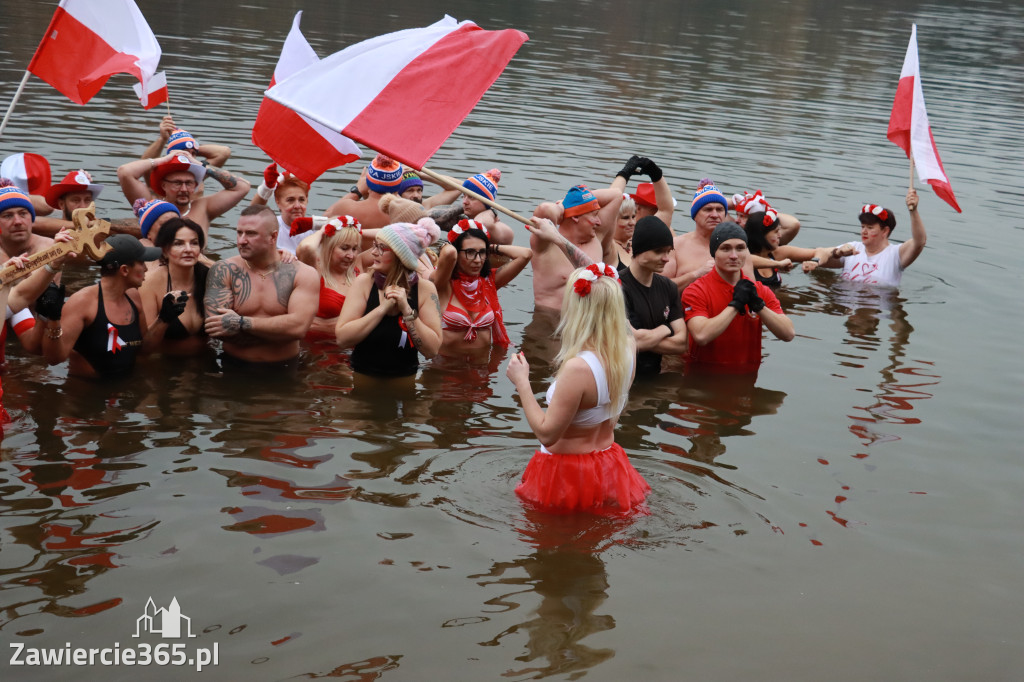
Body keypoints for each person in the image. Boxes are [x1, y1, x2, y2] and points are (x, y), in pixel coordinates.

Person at [506, 264, 649, 515]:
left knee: (553, 543)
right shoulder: (628, 347)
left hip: (567, 474)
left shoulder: (578, 368)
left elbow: (547, 435)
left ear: (578, 309)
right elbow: (614, 413)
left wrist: (522, 382)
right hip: (608, 464)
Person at [202, 206, 317, 369]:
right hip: (233, 366)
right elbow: (217, 329)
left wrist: (241, 322)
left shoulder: (303, 274)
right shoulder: (224, 270)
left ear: (273, 237)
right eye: (239, 232)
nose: (241, 240)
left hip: (284, 368)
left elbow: (298, 328)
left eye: (251, 233)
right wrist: (281, 331)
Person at [39, 235, 164, 378]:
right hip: (86, 393)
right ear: (124, 270)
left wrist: (164, 318)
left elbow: (144, 350)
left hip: (124, 389)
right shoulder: (82, 303)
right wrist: (53, 320)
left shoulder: (133, 296)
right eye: (141, 263)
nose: (146, 269)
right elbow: (54, 359)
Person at [335, 218, 443, 378]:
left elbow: (432, 351)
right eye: (374, 246)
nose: (373, 252)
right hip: (363, 379)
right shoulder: (364, 282)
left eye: (381, 248)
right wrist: (381, 309)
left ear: (401, 256)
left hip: (404, 381)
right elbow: (342, 338)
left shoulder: (425, 289)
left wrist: (407, 310)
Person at [683, 222, 794, 374]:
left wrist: (759, 306)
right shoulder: (696, 291)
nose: (734, 256)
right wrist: (736, 304)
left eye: (740, 248)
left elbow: (788, 334)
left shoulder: (759, 291)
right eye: (726, 248)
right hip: (704, 378)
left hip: (746, 377)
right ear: (714, 252)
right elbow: (701, 335)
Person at [433, 218, 531, 361]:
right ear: (456, 253)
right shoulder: (442, 283)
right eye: (470, 252)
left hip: (482, 372)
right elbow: (448, 254)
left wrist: (490, 247)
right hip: (445, 372)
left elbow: (526, 254)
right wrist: (450, 244)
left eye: (482, 253)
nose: (478, 259)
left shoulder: (489, 281)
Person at [804, 190, 925, 287]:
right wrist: (815, 262)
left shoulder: (895, 254)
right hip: (846, 307)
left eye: (870, 227)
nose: (864, 231)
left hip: (876, 306)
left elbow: (919, 242)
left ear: (885, 231)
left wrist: (913, 211)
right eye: (863, 226)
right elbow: (823, 252)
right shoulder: (853, 248)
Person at [530, 184, 622, 311]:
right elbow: (544, 209)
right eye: (594, 215)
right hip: (549, 323)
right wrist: (563, 207)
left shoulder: (596, 237)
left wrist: (577, 200)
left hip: (587, 324)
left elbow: (616, 195)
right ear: (576, 217)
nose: (599, 221)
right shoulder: (546, 243)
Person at [116, 151, 250, 234]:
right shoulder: (151, 205)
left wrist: (202, 166)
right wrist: (161, 161)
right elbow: (124, 172)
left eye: (189, 183)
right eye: (177, 183)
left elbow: (243, 187)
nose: (184, 189)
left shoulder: (204, 207)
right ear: (164, 185)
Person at [621, 216, 688, 375]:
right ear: (638, 250)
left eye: (668, 251)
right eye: (658, 251)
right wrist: (665, 329)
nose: (666, 259)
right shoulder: (616, 286)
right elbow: (629, 342)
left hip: (654, 374)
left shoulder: (669, 287)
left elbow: (682, 343)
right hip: (621, 378)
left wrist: (641, 339)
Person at [139, 218, 209, 356]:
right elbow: (144, 348)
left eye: (194, 243)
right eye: (178, 244)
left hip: (205, 362)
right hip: (166, 367)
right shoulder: (149, 284)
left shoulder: (211, 278)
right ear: (164, 251)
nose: (188, 249)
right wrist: (163, 319)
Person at [742, 208, 856, 288]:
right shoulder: (741, 255)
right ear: (761, 235)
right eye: (776, 232)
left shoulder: (778, 253)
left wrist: (837, 252)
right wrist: (778, 264)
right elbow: (746, 259)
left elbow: (820, 251)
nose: (780, 235)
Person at [297, 215, 362, 341]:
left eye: (355, 249)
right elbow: (306, 248)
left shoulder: (359, 267)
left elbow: (404, 237)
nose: (350, 255)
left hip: (350, 352)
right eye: (344, 248)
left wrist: (353, 226)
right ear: (328, 246)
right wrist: (324, 229)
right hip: (316, 352)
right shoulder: (315, 271)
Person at [666, 180, 729, 290]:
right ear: (695, 215)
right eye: (708, 209)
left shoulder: (736, 247)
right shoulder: (675, 246)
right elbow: (659, 288)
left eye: (719, 209)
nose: (714, 215)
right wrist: (696, 274)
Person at [324, 154, 403, 230]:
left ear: (367, 181)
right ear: (399, 184)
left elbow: (324, 219)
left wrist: (357, 191)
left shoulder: (347, 208)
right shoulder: (405, 214)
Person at [250, 163, 313, 254]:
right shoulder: (272, 225)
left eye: (301, 200)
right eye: (290, 200)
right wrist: (267, 188)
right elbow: (251, 215)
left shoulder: (315, 229)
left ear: (307, 200)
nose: (297, 206)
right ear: (278, 202)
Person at [458, 169, 514, 245]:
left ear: (486, 202)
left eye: (471, 197)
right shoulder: (462, 218)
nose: (464, 202)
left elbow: (482, 224)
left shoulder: (501, 229)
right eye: (463, 196)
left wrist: (491, 211)